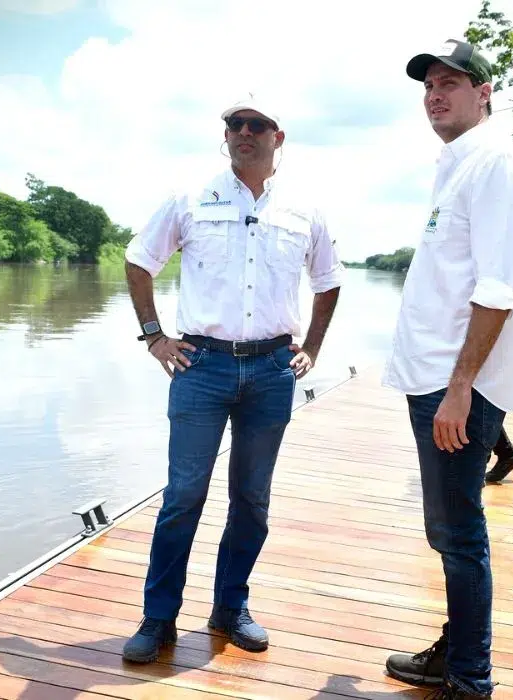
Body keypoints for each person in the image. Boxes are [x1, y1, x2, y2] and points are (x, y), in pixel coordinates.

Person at [120, 95, 343, 663]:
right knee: (184, 495)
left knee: (252, 499)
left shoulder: (305, 211)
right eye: (233, 124)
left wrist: (312, 348)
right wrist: (153, 335)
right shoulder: (191, 198)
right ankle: (158, 618)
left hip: (272, 370)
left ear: (278, 136)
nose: (242, 132)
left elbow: (329, 281)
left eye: (255, 124)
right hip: (201, 366)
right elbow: (139, 259)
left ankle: (229, 607)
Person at [381, 39, 513, 698]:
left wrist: (459, 389)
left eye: (452, 81)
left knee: (458, 533)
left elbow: (499, 287)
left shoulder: (497, 163)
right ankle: (459, 655)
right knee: (447, 530)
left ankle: (469, 675)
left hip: (456, 389)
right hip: (437, 381)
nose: (436, 94)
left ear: (485, 93)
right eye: (428, 85)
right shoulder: (459, 165)